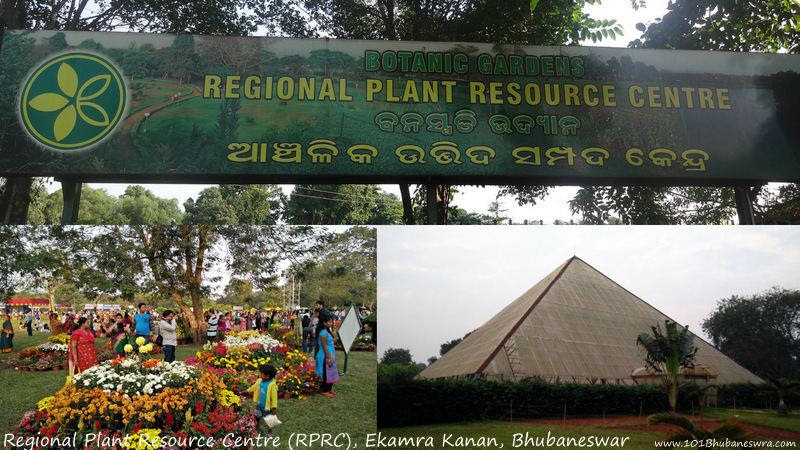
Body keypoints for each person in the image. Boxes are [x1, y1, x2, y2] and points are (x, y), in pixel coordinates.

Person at [249, 364, 278, 437]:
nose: (260, 375)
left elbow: (274, 398)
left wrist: (274, 408)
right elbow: (254, 387)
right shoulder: (260, 381)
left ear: (267, 376)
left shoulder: (272, 386)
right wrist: (247, 390)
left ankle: (270, 432)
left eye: (261, 374)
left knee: (269, 420)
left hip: (268, 407)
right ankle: (257, 424)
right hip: (260, 404)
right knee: (257, 415)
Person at [315, 313, 340, 398]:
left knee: (330, 371)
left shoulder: (326, 331)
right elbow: (324, 346)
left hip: (330, 355)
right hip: (325, 355)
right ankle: (324, 390)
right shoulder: (323, 333)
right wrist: (329, 358)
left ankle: (329, 389)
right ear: (324, 323)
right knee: (325, 373)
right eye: (330, 322)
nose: (331, 323)